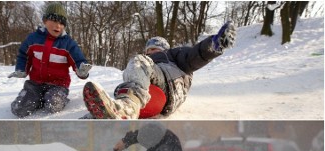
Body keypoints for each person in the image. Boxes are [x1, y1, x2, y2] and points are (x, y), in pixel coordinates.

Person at [83, 22, 236, 119]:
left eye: (154, 49)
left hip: (168, 86)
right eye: (148, 50)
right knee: (123, 91)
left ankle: (129, 107)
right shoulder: (147, 65)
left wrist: (214, 45)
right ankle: (104, 115)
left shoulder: (174, 55)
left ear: (164, 49)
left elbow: (195, 55)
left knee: (138, 62)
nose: (150, 53)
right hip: (152, 101)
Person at [9, 2, 91, 117]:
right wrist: (21, 69)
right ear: (45, 21)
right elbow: (24, 55)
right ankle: (36, 97)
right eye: (54, 21)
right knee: (18, 109)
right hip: (35, 83)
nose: (58, 26)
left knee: (54, 104)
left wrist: (82, 71)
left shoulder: (68, 44)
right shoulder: (33, 39)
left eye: (62, 23)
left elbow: (78, 60)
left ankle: (56, 98)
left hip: (58, 85)